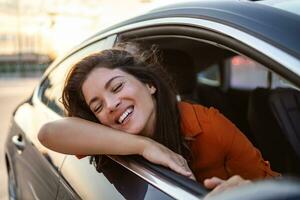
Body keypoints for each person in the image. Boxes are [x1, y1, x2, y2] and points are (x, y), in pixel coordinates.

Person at [38, 43, 279, 196]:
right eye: (97, 106)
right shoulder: (102, 139)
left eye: (117, 87)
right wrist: (146, 146)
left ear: (150, 84)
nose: (111, 105)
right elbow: (47, 132)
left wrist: (249, 191)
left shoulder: (208, 125)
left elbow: (272, 186)